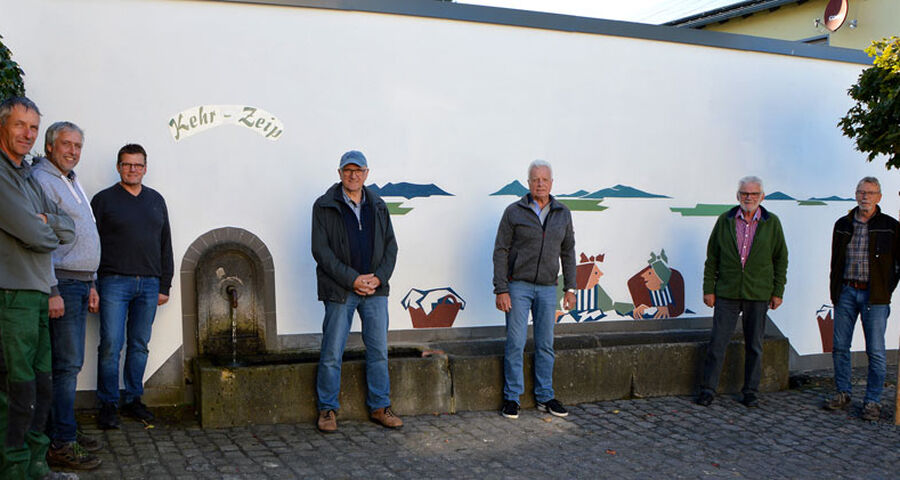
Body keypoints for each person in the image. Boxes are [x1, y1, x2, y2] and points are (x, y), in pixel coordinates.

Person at [0, 96, 76, 479]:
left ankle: (35, 467)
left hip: (37, 293)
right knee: (17, 391)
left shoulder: (28, 177)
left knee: (41, 387)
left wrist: (45, 223)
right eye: (19, 125)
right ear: (3, 125)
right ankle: (13, 471)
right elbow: (38, 234)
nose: (27, 134)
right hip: (10, 295)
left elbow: (68, 227)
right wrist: (45, 226)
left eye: (32, 127)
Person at [311, 150, 401, 433]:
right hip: (341, 289)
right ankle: (327, 410)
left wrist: (378, 278)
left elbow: (391, 247)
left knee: (378, 352)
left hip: (375, 290)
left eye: (358, 170)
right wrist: (352, 279)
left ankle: (380, 406)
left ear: (366, 174)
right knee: (331, 352)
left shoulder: (378, 204)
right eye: (347, 170)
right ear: (339, 173)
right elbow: (321, 251)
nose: (353, 175)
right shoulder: (324, 205)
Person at [32, 122, 102, 470]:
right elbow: (40, 240)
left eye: (77, 145)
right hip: (61, 283)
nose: (72, 151)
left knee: (68, 365)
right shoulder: (42, 180)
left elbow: (81, 234)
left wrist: (90, 282)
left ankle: (64, 429)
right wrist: (53, 289)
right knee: (65, 365)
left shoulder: (71, 180)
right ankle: (61, 441)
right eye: (65, 144)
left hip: (79, 283)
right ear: (49, 147)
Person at [91, 144, 173, 429]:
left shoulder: (155, 200)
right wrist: (93, 284)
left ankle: (133, 399)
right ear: (118, 167)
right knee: (111, 345)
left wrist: (165, 284)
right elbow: (90, 244)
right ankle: (108, 403)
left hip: (149, 284)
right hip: (113, 281)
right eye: (127, 165)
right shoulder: (103, 200)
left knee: (139, 345)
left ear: (145, 168)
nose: (132, 169)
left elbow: (166, 244)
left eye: (138, 165)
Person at [493, 159, 576, 419]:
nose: (540, 183)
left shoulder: (563, 212)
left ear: (552, 183)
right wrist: (501, 289)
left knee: (545, 344)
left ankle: (545, 396)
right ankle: (512, 398)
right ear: (528, 183)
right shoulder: (513, 211)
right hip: (518, 286)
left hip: (548, 288)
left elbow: (568, 251)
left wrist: (571, 287)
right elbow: (501, 250)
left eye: (545, 179)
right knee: (515, 342)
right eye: (535, 179)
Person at [696, 176, 787, 408]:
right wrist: (709, 289)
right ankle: (708, 389)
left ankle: (750, 391)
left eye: (754, 194)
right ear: (738, 196)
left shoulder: (772, 223)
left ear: (762, 197)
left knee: (754, 346)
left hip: (758, 293)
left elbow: (780, 259)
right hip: (727, 291)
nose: (749, 198)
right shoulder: (725, 220)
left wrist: (778, 291)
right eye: (745, 194)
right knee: (717, 343)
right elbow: (712, 258)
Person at [825, 177, 899, 421]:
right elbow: (836, 261)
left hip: (874, 296)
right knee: (840, 347)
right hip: (846, 291)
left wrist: (886, 290)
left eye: (870, 193)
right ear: (855, 195)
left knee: (876, 351)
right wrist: (835, 292)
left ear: (879, 197)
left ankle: (872, 401)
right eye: (861, 192)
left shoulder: (890, 226)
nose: (865, 196)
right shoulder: (843, 224)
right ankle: (843, 393)